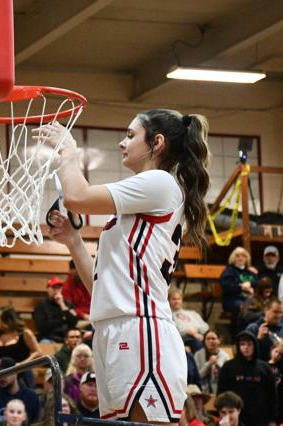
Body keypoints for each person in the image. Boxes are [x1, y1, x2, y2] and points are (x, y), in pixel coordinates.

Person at [36, 109, 211, 423]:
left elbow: (77, 196)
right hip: (113, 328)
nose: (122, 143)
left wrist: (68, 151)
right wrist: (75, 242)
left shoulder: (159, 182)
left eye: (131, 135)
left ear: (157, 143)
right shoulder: (139, 201)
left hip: (141, 329)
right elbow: (100, 290)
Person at [217, 330, 277, 426]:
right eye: (242, 344)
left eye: (249, 344)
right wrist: (222, 416)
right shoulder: (228, 367)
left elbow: (272, 396)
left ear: (255, 346)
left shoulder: (264, 368)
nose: (246, 347)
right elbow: (221, 394)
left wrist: (273, 420)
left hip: (260, 418)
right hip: (235, 417)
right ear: (238, 346)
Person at [0, 307, 41, 388]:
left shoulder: (24, 333)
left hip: (20, 372)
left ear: (6, 321)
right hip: (1, 372)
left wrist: (21, 364)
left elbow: (38, 352)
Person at [219, 247, 259, 335]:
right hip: (232, 299)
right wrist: (241, 287)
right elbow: (226, 285)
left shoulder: (250, 271)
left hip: (250, 300)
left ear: (247, 258)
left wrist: (251, 285)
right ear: (233, 258)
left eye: (243, 256)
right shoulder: (229, 270)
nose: (240, 258)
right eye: (237, 256)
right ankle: (240, 335)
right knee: (242, 307)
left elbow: (258, 282)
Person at [0, 357, 40, 425]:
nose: (1, 377)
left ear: (16, 372)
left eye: (5, 373)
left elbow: (37, 422)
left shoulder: (31, 396)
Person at [34, 277, 78, 343]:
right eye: (54, 288)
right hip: (49, 338)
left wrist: (62, 305)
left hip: (67, 339)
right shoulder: (41, 306)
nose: (57, 291)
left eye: (59, 288)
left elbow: (73, 323)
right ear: (48, 289)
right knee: (45, 342)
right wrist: (62, 319)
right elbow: (41, 327)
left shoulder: (67, 304)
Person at [169, 288, 210, 353]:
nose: (176, 301)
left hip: (200, 335)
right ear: (169, 301)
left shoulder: (192, 313)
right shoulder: (169, 315)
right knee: (198, 343)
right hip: (186, 338)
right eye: (174, 299)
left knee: (212, 340)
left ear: (182, 300)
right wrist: (188, 332)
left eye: (178, 299)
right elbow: (173, 331)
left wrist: (196, 330)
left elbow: (206, 326)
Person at [194, 329, 230, 394]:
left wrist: (217, 364)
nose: (210, 341)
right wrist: (209, 364)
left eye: (213, 339)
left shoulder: (225, 356)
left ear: (219, 340)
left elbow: (227, 377)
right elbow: (198, 377)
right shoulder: (198, 355)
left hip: (219, 391)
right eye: (207, 339)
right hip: (201, 391)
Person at [268, 341, 283, 424]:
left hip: (279, 400)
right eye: (276, 352)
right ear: (271, 350)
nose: (277, 355)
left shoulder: (281, 366)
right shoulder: (264, 365)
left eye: (280, 354)